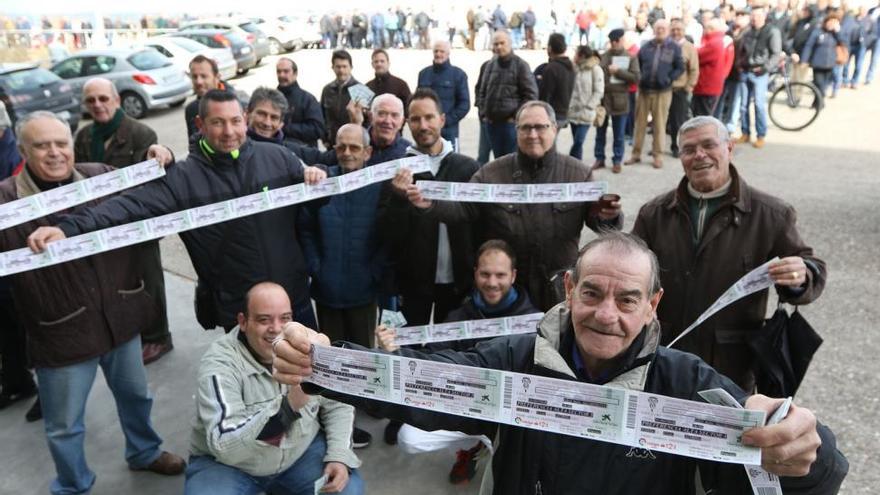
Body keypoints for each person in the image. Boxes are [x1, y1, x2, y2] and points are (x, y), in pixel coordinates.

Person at [272, 231, 849, 495]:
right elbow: (419, 391)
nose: (606, 315)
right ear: (568, 289)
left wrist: (802, 441)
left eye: (628, 300)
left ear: (652, 306)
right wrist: (323, 362)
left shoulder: (685, 382)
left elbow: (816, 472)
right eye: (592, 293)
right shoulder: (514, 360)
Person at [27, 90, 327, 332]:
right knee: (257, 392)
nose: (229, 131)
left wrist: (319, 176)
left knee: (308, 378)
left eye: (235, 121)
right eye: (217, 122)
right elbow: (128, 206)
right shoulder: (182, 178)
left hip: (293, 299)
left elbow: (317, 201)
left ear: (245, 119)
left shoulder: (277, 157)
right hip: (240, 311)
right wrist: (69, 228)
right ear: (200, 125)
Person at [1, 112, 186, 494]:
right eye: (42, 145)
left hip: (119, 318)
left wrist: (163, 155)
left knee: (136, 396)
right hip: (61, 333)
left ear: (72, 144)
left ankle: (145, 451)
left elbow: (157, 185)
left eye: (61, 143)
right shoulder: (6, 201)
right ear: (22, 151)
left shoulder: (102, 175)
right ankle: (73, 484)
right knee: (65, 423)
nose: (55, 153)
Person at [632, 116, 827, 391]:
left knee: (724, 430)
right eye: (689, 149)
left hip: (731, 361)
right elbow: (628, 271)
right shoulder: (654, 213)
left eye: (709, 145)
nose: (699, 155)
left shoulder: (770, 214)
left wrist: (800, 275)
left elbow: (810, 266)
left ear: (729, 148)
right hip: (663, 354)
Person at [403, 101, 622, 311]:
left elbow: (601, 225)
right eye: (525, 128)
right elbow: (463, 208)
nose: (532, 134)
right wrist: (431, 204)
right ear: (516, 131)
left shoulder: (578, 173)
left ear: (554, 129)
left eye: (540, 127)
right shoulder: (491, 173)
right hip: (509, 293)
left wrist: (609, 215)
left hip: (558, 290)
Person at [376, 239, 538, 485]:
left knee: (509, 476)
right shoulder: (458, 317)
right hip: (468, 406)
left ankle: (484, 450)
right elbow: (431, 359)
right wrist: (395, 351)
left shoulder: (534, 321)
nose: (492, 282)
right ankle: (473, 446)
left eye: (500, 274)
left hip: (512, 420)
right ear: (475, 274)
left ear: (513, 275)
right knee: (409, 438)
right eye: (485, 274)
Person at [185, 282, 363, 495]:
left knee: (348, 490)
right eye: (264, 320)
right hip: (230, 467)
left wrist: (339, 456)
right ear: (243, 322)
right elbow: (225, 446)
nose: (276, 329)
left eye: (285, 318)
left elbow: (338, 404)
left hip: (299, 455)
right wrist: (289, 406)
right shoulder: (219, 364)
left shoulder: (307, 345)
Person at [73, 77, 175, 364]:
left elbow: (153, 182)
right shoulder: (83, 137)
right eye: (91, 100)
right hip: (99, 223)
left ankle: (158, 337)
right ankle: (131, 332)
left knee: (149, 279)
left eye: (103, 98)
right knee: (117, 281)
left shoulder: (141, 133)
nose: (98, 105)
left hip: (137, 221)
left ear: (116, 100)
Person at [383, 88, 481, 328]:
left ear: (442, 119)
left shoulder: (467, 167)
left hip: (459, 283)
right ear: (407, 123)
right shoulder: (397, 170)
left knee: (449, 354)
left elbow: (479, 221)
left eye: (429, 117)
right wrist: (397, 198)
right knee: (411, 355)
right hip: (414, 285)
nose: (423, 125)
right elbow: (388, 234)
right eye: (415, 119)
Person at [287, 94, 411, 168]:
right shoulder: (351, 144)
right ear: (371, 116)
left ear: (402, 122)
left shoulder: (409, 153)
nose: (387, 121)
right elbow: (325, 160)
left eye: (394, 115)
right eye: (382, 114)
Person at [625, 19, 684, 169]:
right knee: (639, 124)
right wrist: (639, 78)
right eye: (658, 28)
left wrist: (669, 78)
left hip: (662, 93)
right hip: (644, 91)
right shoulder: (646, 46)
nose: (660, 31)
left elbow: (680, 67)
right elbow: (636, 64)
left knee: (659, 125)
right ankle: (635, 154)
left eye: (663, 28)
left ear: (668, 30)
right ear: (654, 30)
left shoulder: (674, 47)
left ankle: (658, 156)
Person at [476, 30, 538, 159]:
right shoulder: (490, 64)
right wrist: (484, 114)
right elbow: (482, 91)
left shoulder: (521, 65)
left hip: (510, 125)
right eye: (496, 44)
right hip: (491, 124)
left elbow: (531, 95)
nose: (498, 47)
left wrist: (515, 117)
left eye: (502, 43)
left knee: (512, 161)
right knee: (499, 161)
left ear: (509, 43)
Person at [594, 29, 640, 173]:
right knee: (600, 132)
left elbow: (636, 78)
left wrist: (618, 72)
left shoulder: (631, 57)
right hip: (603, 99)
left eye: (617, 40)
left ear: (621, 40)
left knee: (618, 134)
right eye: (612, 41)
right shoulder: (603, 57)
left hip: (621, 99)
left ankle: (617, 160)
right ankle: (599, 158)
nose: (615, 43)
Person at [736, 6, 781, 149]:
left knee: (759, 105)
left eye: (757, 16)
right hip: (745, 71)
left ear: (764, 16)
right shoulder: (748, 31)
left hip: (760, 73)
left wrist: (764, 69)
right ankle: (745, 132)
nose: (754, 18)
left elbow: (775, 54)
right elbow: (741, 49)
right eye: (753, 16)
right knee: (743, 106)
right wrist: (739, 64)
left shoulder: (772, 31)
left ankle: (761, 135)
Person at [417, 40, 471, 150]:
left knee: (452, 163)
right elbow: (418, 100)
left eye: (442, 51)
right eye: (436, 51)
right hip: (426, 130)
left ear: (448, 53)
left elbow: (464, 104)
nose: (438, 54)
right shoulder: (424, 74)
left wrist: (446, 121)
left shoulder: (458, 75)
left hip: (449, 131)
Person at [667, 18, 700, 158]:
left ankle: (678, 147)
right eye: (673, 29)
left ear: (684, 31)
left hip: (679, 90)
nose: (675, 32)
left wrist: (688, 87)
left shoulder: (689, 47)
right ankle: (659, 148)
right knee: (663, 121)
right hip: (663, 90)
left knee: (678, 121)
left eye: (678, 29)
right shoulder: (665, 45)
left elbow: (694, 70)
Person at [276, 58, 324, 148]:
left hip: (303, 152)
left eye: (286, 71)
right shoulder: (271, 98)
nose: (281, 75)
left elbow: (317, 129)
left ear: (295, 73)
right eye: (279, 72)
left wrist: (285, 128)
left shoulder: (308, 99)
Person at [567, 45, 604, 161]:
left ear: (581, 56)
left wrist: (589, 106)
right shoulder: (574, 68)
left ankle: (570, 163)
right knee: (577, 142)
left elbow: (599, 91)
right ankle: (577, 167)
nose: (574, 56)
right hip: (573, 111)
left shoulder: (595, 69)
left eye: (576, 54)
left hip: (586, 112)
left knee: (578, 141)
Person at [184, 55, 235, 139]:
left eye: (204, 76)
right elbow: (193, 143)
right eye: (194, 77)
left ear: (217, 78)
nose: (199, 82)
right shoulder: (191, 110)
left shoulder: (237, 103)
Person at [692, 18, 734, 117]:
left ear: (710, 29)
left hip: (707, 86)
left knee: (703, 116)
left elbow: (697, 56)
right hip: (705, 86)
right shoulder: (713, 41)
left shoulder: (715, 43)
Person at [535, 33, 575, 128]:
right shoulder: (570, 66)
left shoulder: (551, 68)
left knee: (547, 142)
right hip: (564, 113)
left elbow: (545, 94)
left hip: (551, 114)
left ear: (550, 48)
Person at [320, 50, 360, 148]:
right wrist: (325, 139)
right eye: (338, 67)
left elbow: (367, 120)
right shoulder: (327, 90)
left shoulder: (360, 90)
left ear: (351, 67)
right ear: (332, 68)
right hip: (332, 144)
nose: (341, 70)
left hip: (352, 144)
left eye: (344, 66)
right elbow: (322, 116)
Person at [802, 15, 846, 99]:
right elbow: (809, 45)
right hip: (818, 63)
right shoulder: (818, 31)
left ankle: (817, 102)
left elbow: (844, 43)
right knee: (818, 84)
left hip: (830, 63)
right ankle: (820, 102)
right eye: (830, 22)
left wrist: (838, 32)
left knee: (824, 85)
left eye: (834, 22)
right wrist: (804, 59)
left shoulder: (836, 34)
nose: (831, 24)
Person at [365, 49, 412, 119]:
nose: (379, 64)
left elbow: (408, 109)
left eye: (382, 61)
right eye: (376, 61)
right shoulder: (367, 87)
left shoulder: (401, 85)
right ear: (372, 64)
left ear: (388, 63)